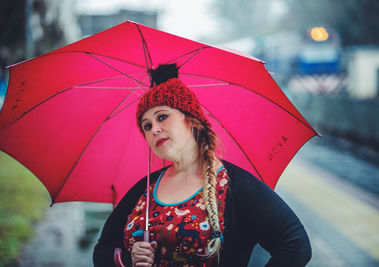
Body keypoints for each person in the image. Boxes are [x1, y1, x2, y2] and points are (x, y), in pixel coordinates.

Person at [93, 64, 312, 267]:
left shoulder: (235, 185)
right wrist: (128, 259)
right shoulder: (145, 189)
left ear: (192, 120)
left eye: (162, 117)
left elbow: (295, 244)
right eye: (147, 126)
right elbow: (102, 250)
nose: (154, 130)